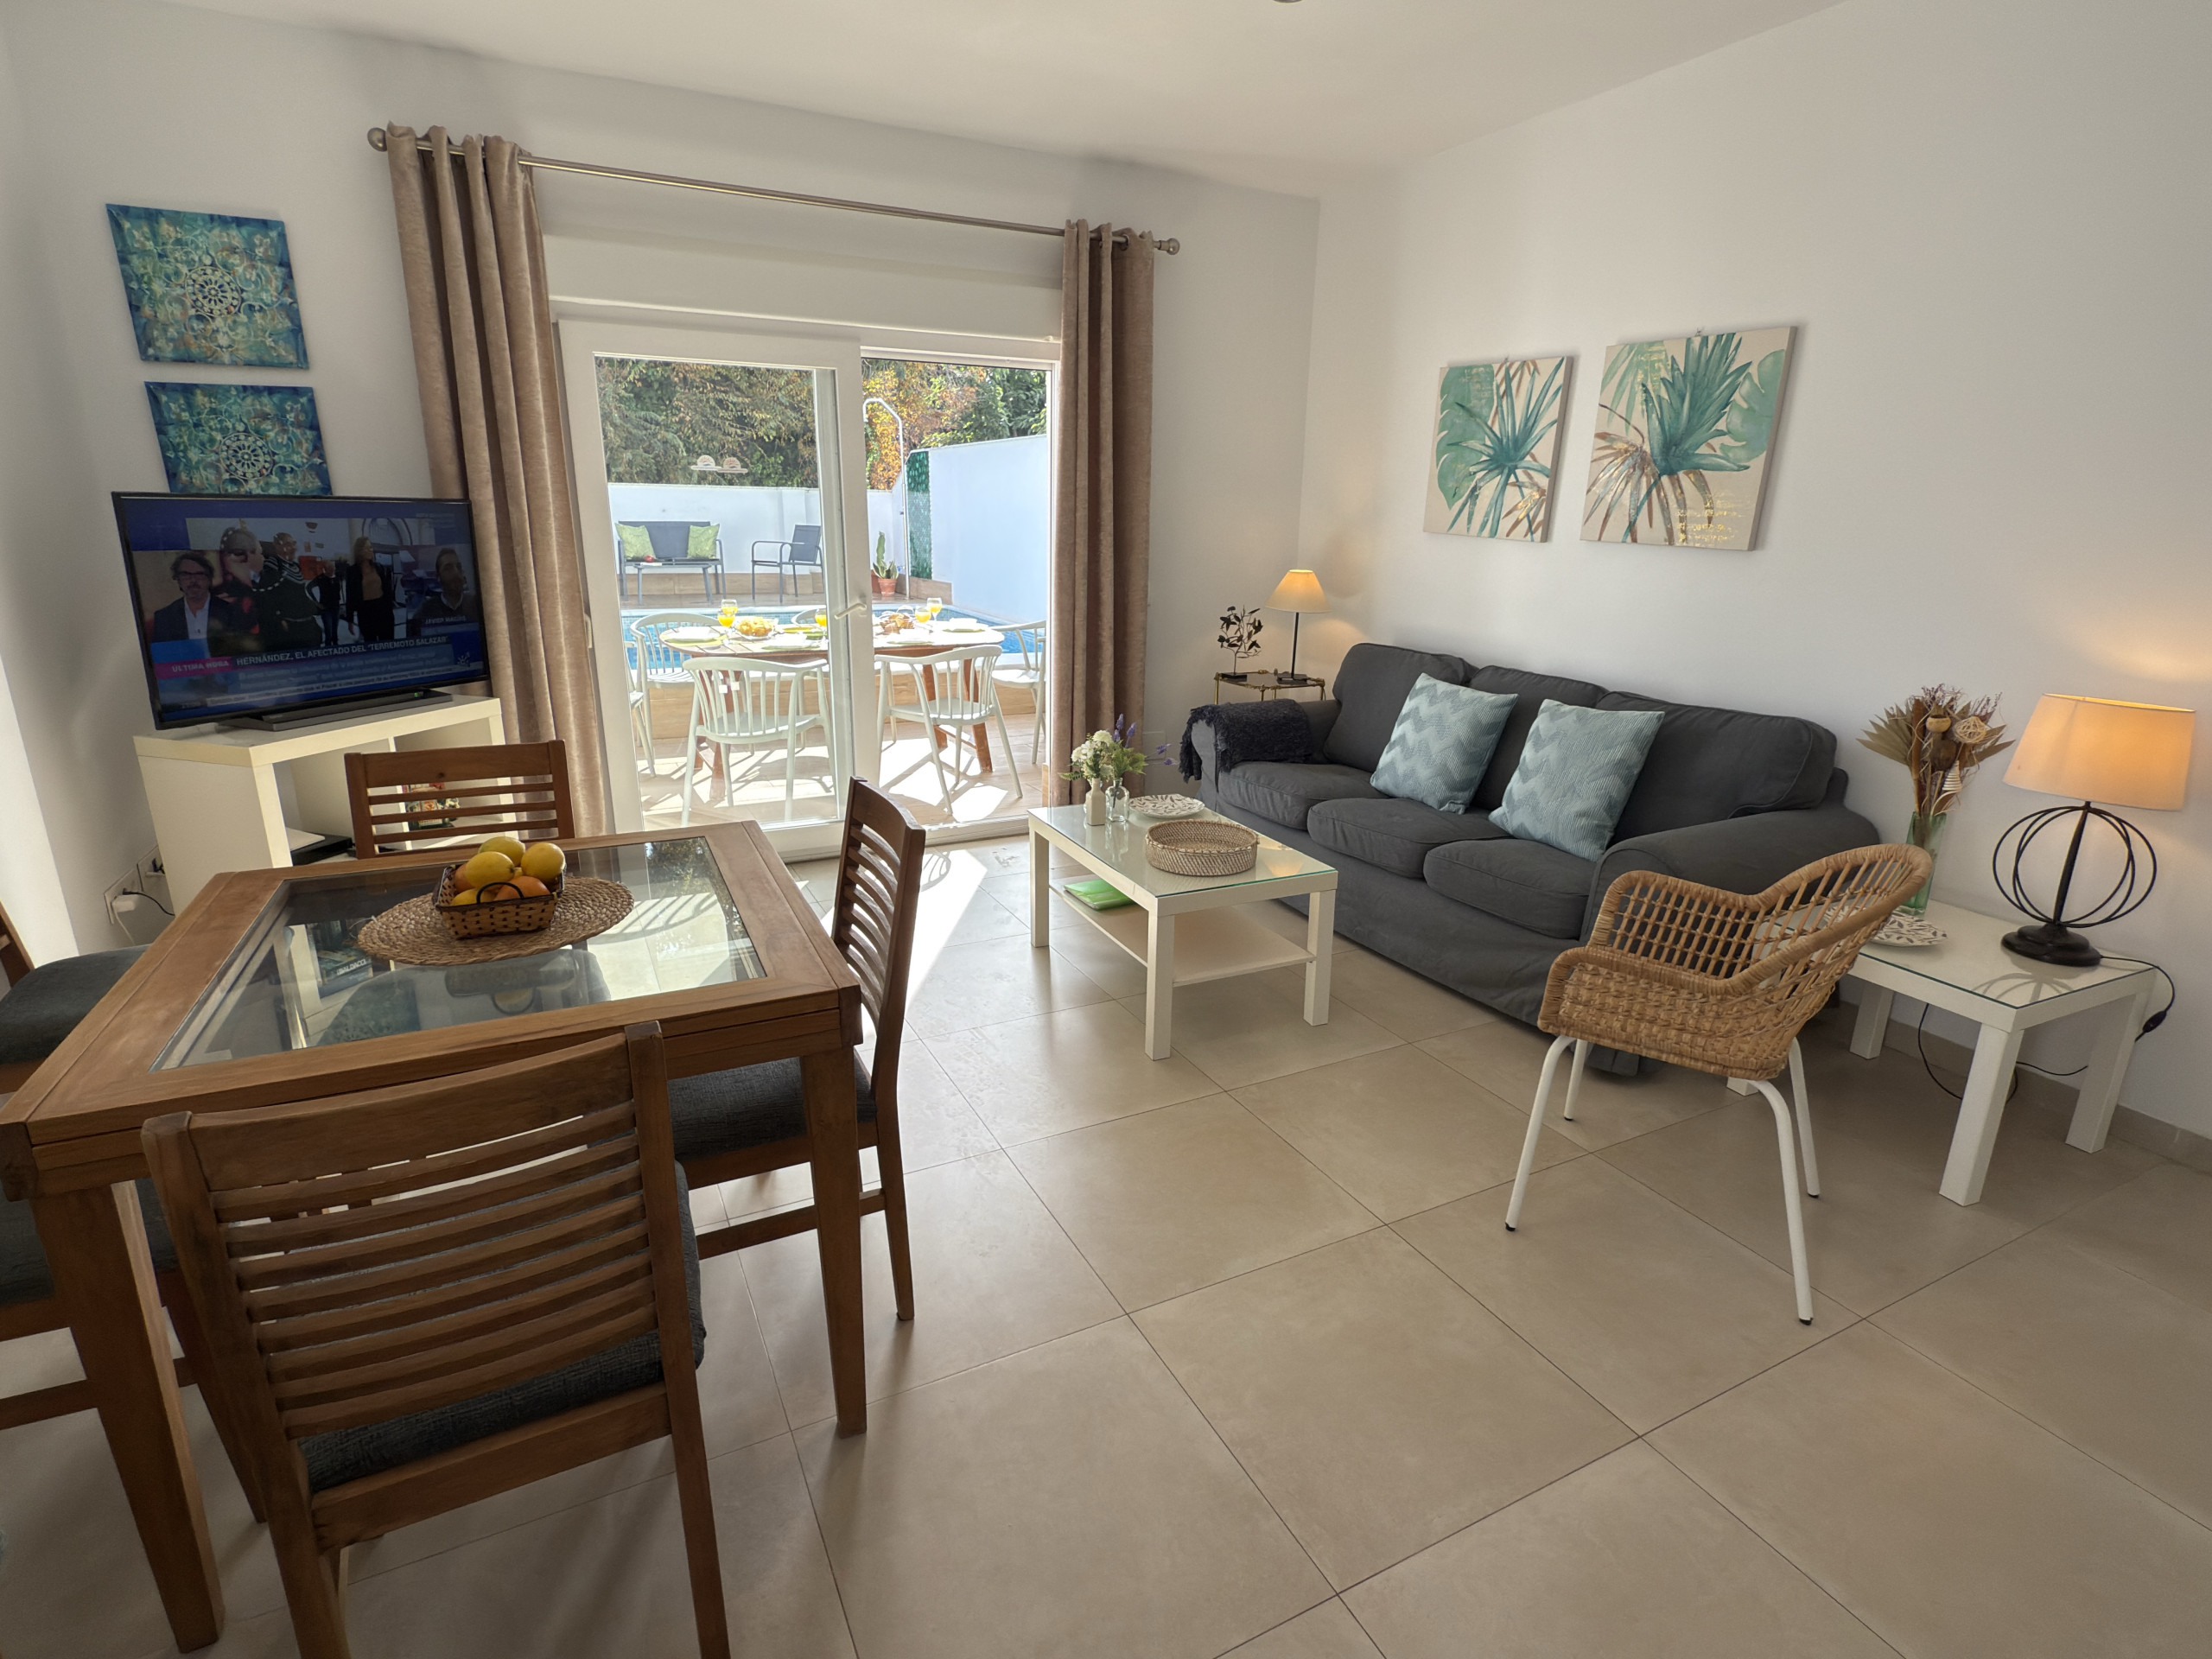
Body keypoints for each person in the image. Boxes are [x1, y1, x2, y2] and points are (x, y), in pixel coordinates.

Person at [253, 531, 327, 652]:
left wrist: (314, 606)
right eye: (288, 544)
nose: (293, 547)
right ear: (277, 546)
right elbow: (267, 597)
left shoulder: (295, 566)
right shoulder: (273, 565)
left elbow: (299, 593)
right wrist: (279, 619)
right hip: (290, 628)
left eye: (293, 544)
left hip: (307, 625)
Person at [145, 550, 238, 645]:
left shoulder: (231, 611)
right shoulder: (163, 617)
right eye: (186, 575)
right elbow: (163, 652)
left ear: (209, 579)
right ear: (178, 580)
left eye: (199, 574)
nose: (193, 580)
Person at [406, 547, 482, 638]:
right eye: (448, 568)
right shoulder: (425, 610)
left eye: (458, 567)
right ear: (438, 577)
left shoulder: (476, 604)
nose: (456, 573)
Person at [344, 535, 397, 644]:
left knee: (388, 644)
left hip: (383, 610)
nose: (371, 550)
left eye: (371, 547)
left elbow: (387, 590)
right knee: (371, 644)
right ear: (359, 551)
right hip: (366, 612)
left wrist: (390, 607)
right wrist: (350, 620)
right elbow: (350, 596)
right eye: (367, 548)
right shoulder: (352, 572)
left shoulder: (379, 568)